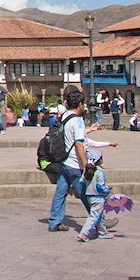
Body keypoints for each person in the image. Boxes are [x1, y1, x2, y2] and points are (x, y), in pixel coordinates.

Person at [47, 90, 91, 232]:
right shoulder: (77, 120)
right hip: (74, 163)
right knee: (85, 193)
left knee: (60, 193)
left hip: (63, 162)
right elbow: (79, 144)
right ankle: (98, 221)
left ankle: (54, 221)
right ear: (79, 104)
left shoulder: (64, 116)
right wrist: (86, 165)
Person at [77, 150, 114, 241]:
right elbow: (100, 187)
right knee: (94, 216)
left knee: (100, 216)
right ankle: (84, 233)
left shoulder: (86, 170)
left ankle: (102, 232)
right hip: (99, 197)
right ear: (99, 160)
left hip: (89, 196)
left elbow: (81, 182)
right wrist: (108, 190)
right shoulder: (99, 171)